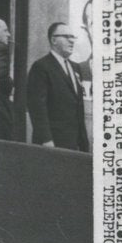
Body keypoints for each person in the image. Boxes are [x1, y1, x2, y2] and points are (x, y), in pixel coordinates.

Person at [27, 22, 89, 151]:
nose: (71, 41)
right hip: (53, 144)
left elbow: (78, 107)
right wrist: (46, 140)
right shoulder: (41, 67)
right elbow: (37, 107)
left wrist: (83, 142)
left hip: (75, 143)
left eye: (73, 37)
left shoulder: (75, 67)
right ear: (53, 40)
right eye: (66, 37)